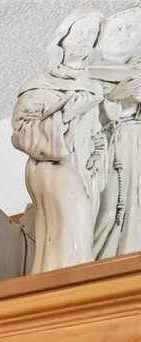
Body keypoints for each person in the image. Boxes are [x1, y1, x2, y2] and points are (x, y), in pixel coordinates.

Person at [12, 10, 109, 273]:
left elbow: (98, 133)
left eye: (91, 34)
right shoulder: (39, 86)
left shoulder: (93, 87)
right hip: (51, 165)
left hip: (84, 170)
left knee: (84, 223)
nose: (84, 40)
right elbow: (22, 132)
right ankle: (64, 284)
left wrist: (97, 158)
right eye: (78, 33)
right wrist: (65, 115)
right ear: (62, 40)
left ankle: (79, 283)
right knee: (72, 213)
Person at [93, 9, 141, 258]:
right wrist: (114, 97)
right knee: (108, 209)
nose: (125, 35)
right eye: (118, 29)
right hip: (107, 152)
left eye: (130, 29)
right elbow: (79, 126)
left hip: (135, 148)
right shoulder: (86, 77)